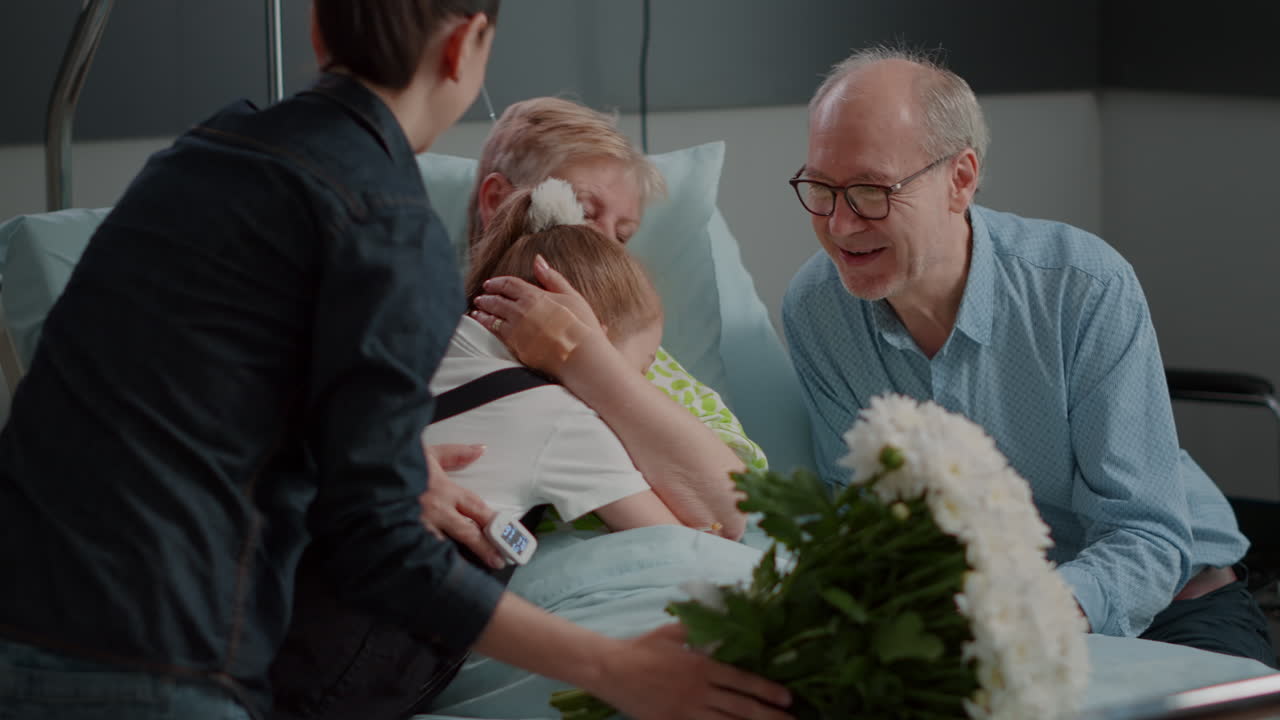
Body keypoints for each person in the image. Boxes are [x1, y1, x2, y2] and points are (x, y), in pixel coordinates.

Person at [0, 5, 795, 720]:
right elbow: (381, 545)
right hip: (166, 654)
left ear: (317, 29)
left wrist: (385, 456)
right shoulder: (389, 229)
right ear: (465, 47)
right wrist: (613, 669)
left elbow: (179, 380)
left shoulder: (199, 155)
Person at [780, 46, 1274, 666]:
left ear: (959, 179)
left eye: (871, 191)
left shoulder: (1080, 285)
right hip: (980, 623)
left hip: (1175, 604)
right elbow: (863, 516)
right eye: (821, 188)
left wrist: (1015, 618)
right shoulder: (817, 310)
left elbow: (1147, 534)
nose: (841, 225)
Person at [426, 96, 769, 561]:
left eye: (624, 235)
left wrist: (589, 361)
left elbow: (729, 514)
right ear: (498, 201)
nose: (606, 247)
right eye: (585, 214)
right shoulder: (419, 340)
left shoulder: (644, 351)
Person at [428, 178, 693, 533]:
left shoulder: (426, 343)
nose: (642, 382)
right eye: (644, 365)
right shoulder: (564, 422)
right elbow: (679, 542)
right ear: (596, 335)